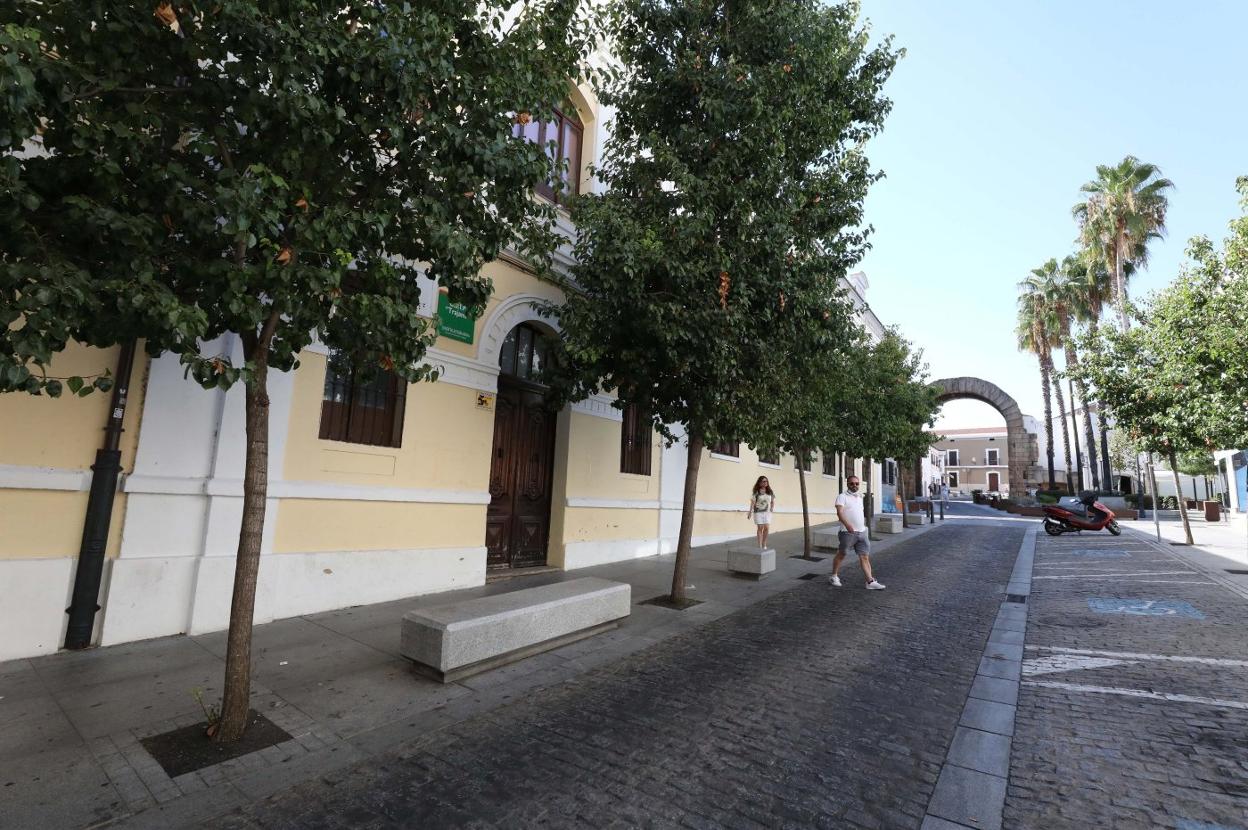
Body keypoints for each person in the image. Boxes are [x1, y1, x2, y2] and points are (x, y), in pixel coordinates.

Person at [829, 474, 885, 589]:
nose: (854, 485)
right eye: (851, 483)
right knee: (842, 554)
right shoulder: (842, 496)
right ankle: (834, 576)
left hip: (862, 532)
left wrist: (864, 527)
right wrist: (848, 525)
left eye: (856, 483)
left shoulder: (859, 497)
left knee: (864, 556)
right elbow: (839, 512)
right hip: (847, 532)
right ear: (847, 484)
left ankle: (870, 582)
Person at [747, 476, 775, 549]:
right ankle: (759, 546)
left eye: (766, 481)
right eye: (764, 481)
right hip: (758, 512)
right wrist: (750, 512)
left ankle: (764, 543)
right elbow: (753, 503)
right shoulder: (756, 492)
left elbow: (772, 501)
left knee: (767, 528)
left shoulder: (770, 492)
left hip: (767, 513)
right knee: (760, 528)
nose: (766, 482)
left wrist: (772, 508)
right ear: (760, 483)